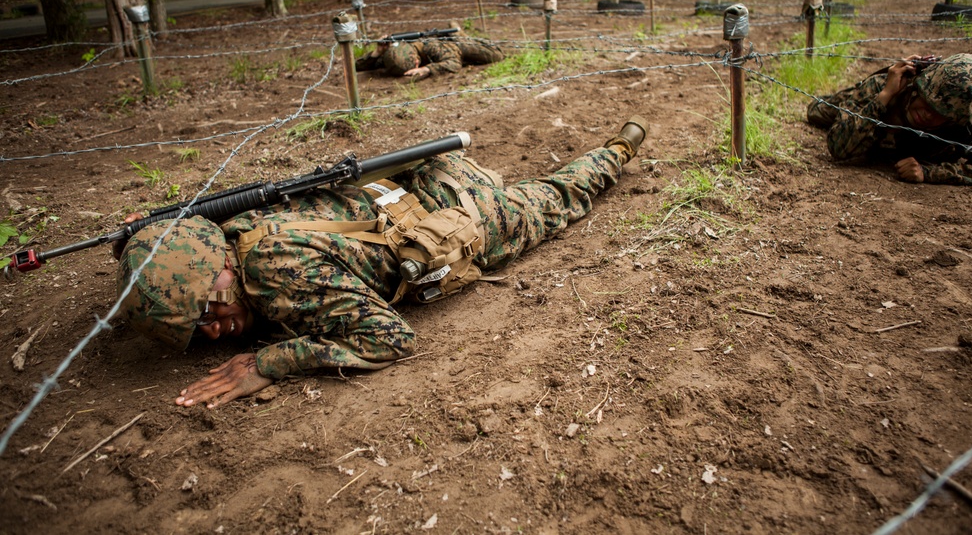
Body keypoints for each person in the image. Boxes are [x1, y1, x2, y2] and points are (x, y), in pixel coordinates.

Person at [116, 118, 649, 408]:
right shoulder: (227, 224)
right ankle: (612, 149)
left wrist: (267, 363)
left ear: (221, 268)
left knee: (559, 197)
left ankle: (618, 151)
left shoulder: (275, 276)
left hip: (466, 218)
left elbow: (391, 338)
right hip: (429, 175)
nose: (213, 331)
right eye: (197, 329)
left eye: (210, 310)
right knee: (539, 189)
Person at [806, 54, 972, 185]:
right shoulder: (888, 86)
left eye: (940, 113)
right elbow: (838, 147)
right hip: (879, 98)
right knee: (817, 111)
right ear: (919, 86)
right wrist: (883, 98)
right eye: (927, 102)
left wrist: (929, 172)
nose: (927, 114)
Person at [355, 32, 504, 80]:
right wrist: (377, 52)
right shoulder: (393, 55)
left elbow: (453, 62)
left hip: (455, 45)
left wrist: (426, 70)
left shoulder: (431, 46)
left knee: (495, 55)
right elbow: (357, 66)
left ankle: (460, 32)